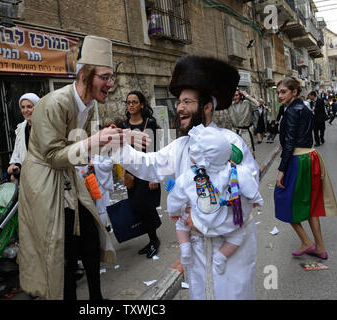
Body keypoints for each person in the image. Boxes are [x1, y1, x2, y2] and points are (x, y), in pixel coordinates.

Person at [111, 55, 259, 299]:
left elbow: (244, 195)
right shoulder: (181, 146)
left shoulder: (231, 144)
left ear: (207, 106)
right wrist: (117, 144)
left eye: (187, 101)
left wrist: (200, 219)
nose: (179, 108)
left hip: (231, 250)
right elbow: (149, 165)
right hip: (198, 250)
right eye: (179, 101)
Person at [17, 35, 124, 300]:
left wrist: (112, 141)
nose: (110, 84)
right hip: (46, 184)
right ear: (86, 75)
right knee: (61, 253)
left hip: (69, 178)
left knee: (89, 235)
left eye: (112, 78)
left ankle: (96, 299)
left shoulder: (87, 105)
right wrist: (93, 141)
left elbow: (78, 147)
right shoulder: (55, 103)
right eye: (105, 77)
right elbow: (53, 155)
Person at [167, 125, 263, 276]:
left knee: (181, 223)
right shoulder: (234, 170)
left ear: (201, 156)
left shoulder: (190, 176)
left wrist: (173, 211)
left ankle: (185, 249)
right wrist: (256, 199)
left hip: (200, 222)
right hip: (226, 225)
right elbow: (250, 186)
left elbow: (176, 196)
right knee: (238, 236)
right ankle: (221, 257)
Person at [274, 78, 337, 260]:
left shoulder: (293, 111)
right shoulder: (302, 106)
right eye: (278, 92)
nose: (280, 95)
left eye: (283, 91)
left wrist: (281, 170)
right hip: (310, 157)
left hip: (298, 158)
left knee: (282, 198)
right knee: (310, 204)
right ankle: (320, 248)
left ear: (294, 92)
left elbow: (289, 143)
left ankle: (307, 242)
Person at [121, 91, 162, 259]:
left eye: (134, 102)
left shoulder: (149, 123)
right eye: (128, 102)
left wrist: (154, 176)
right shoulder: (124, 125)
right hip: (132, 172)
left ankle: (154, 240)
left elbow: (156, 150)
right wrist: (125, 173)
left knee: (145, 206)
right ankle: (152, 238)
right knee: (137, 206)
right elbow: (123, 152)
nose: (131, 105)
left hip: (147, 171)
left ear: (142, 105)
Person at [6, 93, 40, 184]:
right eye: (23, 107)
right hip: (28, 180)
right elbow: (18, 152)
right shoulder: (21, 129)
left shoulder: (45, 126)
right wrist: (15, 166)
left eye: (29, 107)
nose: (26, 110)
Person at [228, 89, 260, 157]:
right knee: (236, 150)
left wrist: (247, 95)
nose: (235, 97)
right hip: (235, 130)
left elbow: (257, 104)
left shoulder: (247, 103)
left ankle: (250, 166)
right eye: (233, 96)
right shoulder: (231, 105)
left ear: (240, 96)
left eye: (236, 95)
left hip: (246, 131)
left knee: (248, 151)